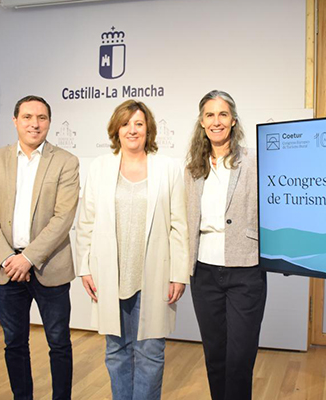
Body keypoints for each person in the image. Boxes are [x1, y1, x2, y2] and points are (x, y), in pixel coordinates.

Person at [75, 100, 189, 400]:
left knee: (151, 353)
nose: (132, 130)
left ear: (148, 129)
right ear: (116, 129)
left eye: (139, 123)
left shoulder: (168, 168)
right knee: (116, 351)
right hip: (110, 276)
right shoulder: (100, 167)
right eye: (126, 124)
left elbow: (179, 225)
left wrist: (179, 274)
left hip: (154, 275)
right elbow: (86, 222)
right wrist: (84, 268)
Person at [0, 95, 79, 400]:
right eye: (27, 117)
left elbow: (63, 217)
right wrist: (8, 258)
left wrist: (28, 258)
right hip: (8, 269)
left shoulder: (66, 161)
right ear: (15, 121)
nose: (35, 124)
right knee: (14, 344)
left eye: (42, 118)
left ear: (49, 122)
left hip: (50, 267)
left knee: (59, 343)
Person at [184, 90, 267, 400]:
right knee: (215, 356)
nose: (216, 121)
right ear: (201, 122)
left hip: (246, 270)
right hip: (204, 273)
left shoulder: (254, 161)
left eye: (222, 114)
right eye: (209, 115)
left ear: (233, 120)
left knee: (240, 358)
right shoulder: (193, 167)